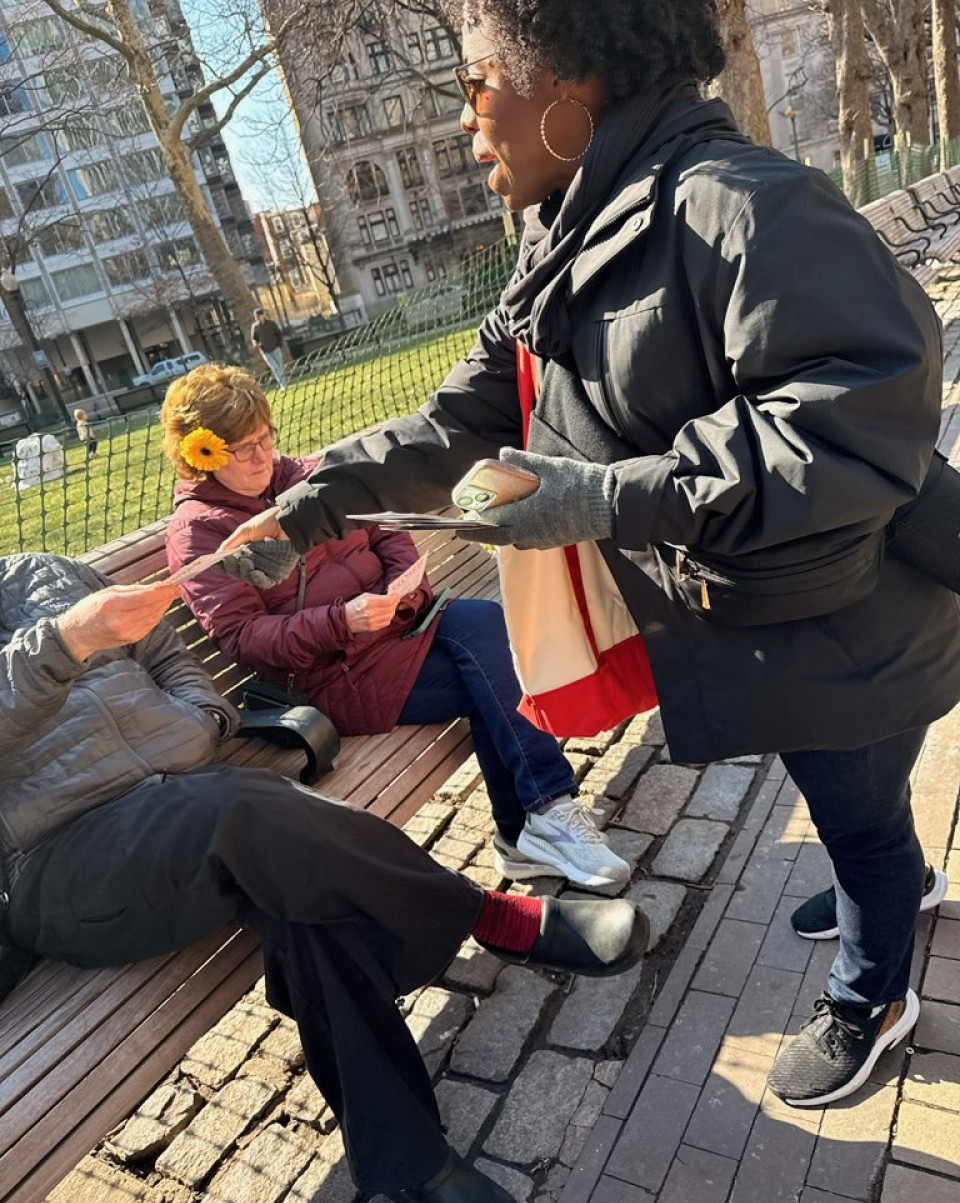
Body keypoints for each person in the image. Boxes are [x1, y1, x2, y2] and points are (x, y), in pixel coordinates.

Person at [220, 0, 960, 1110]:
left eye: (475, 83)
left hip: (854, 614)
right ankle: (889, 881)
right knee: (856, 800)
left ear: (569, 85)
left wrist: (608, 498)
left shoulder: (744, 204)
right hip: (769, 611)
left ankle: (876, 991)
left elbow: (853, 421)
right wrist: (311, 507)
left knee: (854, 808)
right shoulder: (565, 230)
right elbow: (463, 418)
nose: (465, 119)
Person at [0, 551, 648, 1203]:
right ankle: (489, 917)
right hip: (63, 861)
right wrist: (64, 643)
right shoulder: (58, 626)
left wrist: (202, 717)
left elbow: (166, 653)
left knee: (308, 907)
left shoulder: (45, 571)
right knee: (250, 813)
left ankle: (414, 1163)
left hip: (190, 797)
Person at [163, 363, 629, 889]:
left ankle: (535, 825)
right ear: (200, 455)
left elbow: (388, 532)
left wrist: (400, 589)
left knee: (489, 628)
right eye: (241, 448)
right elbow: (243, 638)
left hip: (403, 629)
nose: (261, 455)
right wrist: (341, 620)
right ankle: (541, 818)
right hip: (337, 672)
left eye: (265, 437)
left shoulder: (306, 479)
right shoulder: (200, 533)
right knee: (495, 679)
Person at [250, 307, 287, 390]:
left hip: (275, 348)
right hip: (265, 352)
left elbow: (279, 334)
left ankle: (284, 382)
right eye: (256, 317)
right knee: (275, 368)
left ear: (263, 315)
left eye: (258, 316)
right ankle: (283, 386)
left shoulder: (271, 324)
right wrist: (255, 344)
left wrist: (279, 345)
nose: (257, 318)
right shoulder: (255, 327)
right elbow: (253, 338)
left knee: (280, 366)